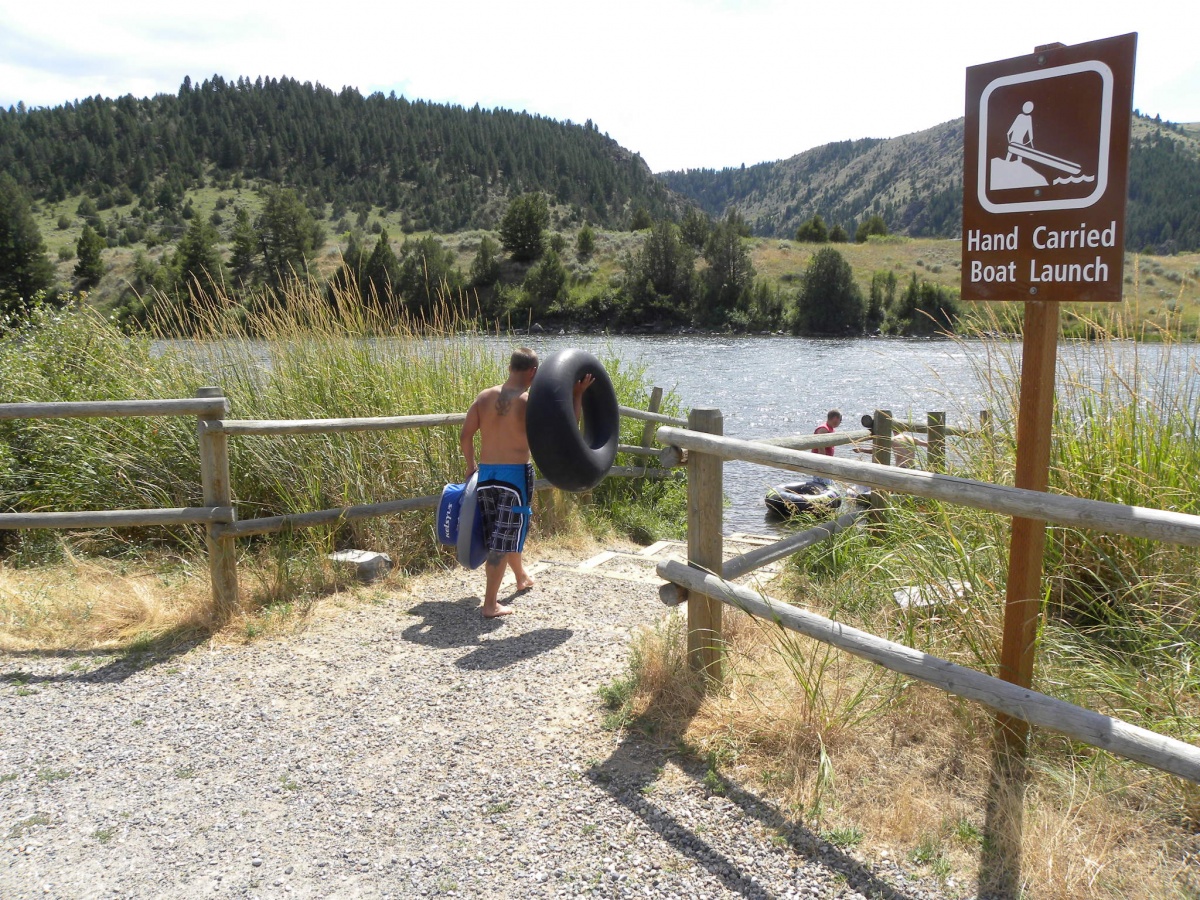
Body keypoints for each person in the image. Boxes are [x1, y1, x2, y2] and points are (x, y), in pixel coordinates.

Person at [459, 348, 591, 618]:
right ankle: (490, 605)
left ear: (510, 368)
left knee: (502, 531)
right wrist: (577, 394)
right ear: (533, 372)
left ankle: (520, 576)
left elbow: (465, 435)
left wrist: (470, 466)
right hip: (515, 477)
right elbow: (566, 427)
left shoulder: (484, 397)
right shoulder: (528, 403)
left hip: (485, 477)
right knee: (503, 539)